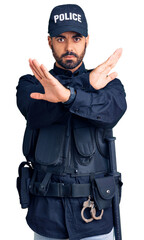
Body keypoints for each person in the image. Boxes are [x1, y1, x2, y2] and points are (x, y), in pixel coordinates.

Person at [16, 4, 127, 240]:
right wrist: (84, 88)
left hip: (96, 217)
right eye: (60, 38)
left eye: (76, 38)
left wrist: (68, 95)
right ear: (49, 41)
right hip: (47, 217)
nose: (69, 47)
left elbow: (112, 112)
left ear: (87, 40)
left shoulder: (108, 83)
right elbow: (35, 113)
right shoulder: (31, 85)